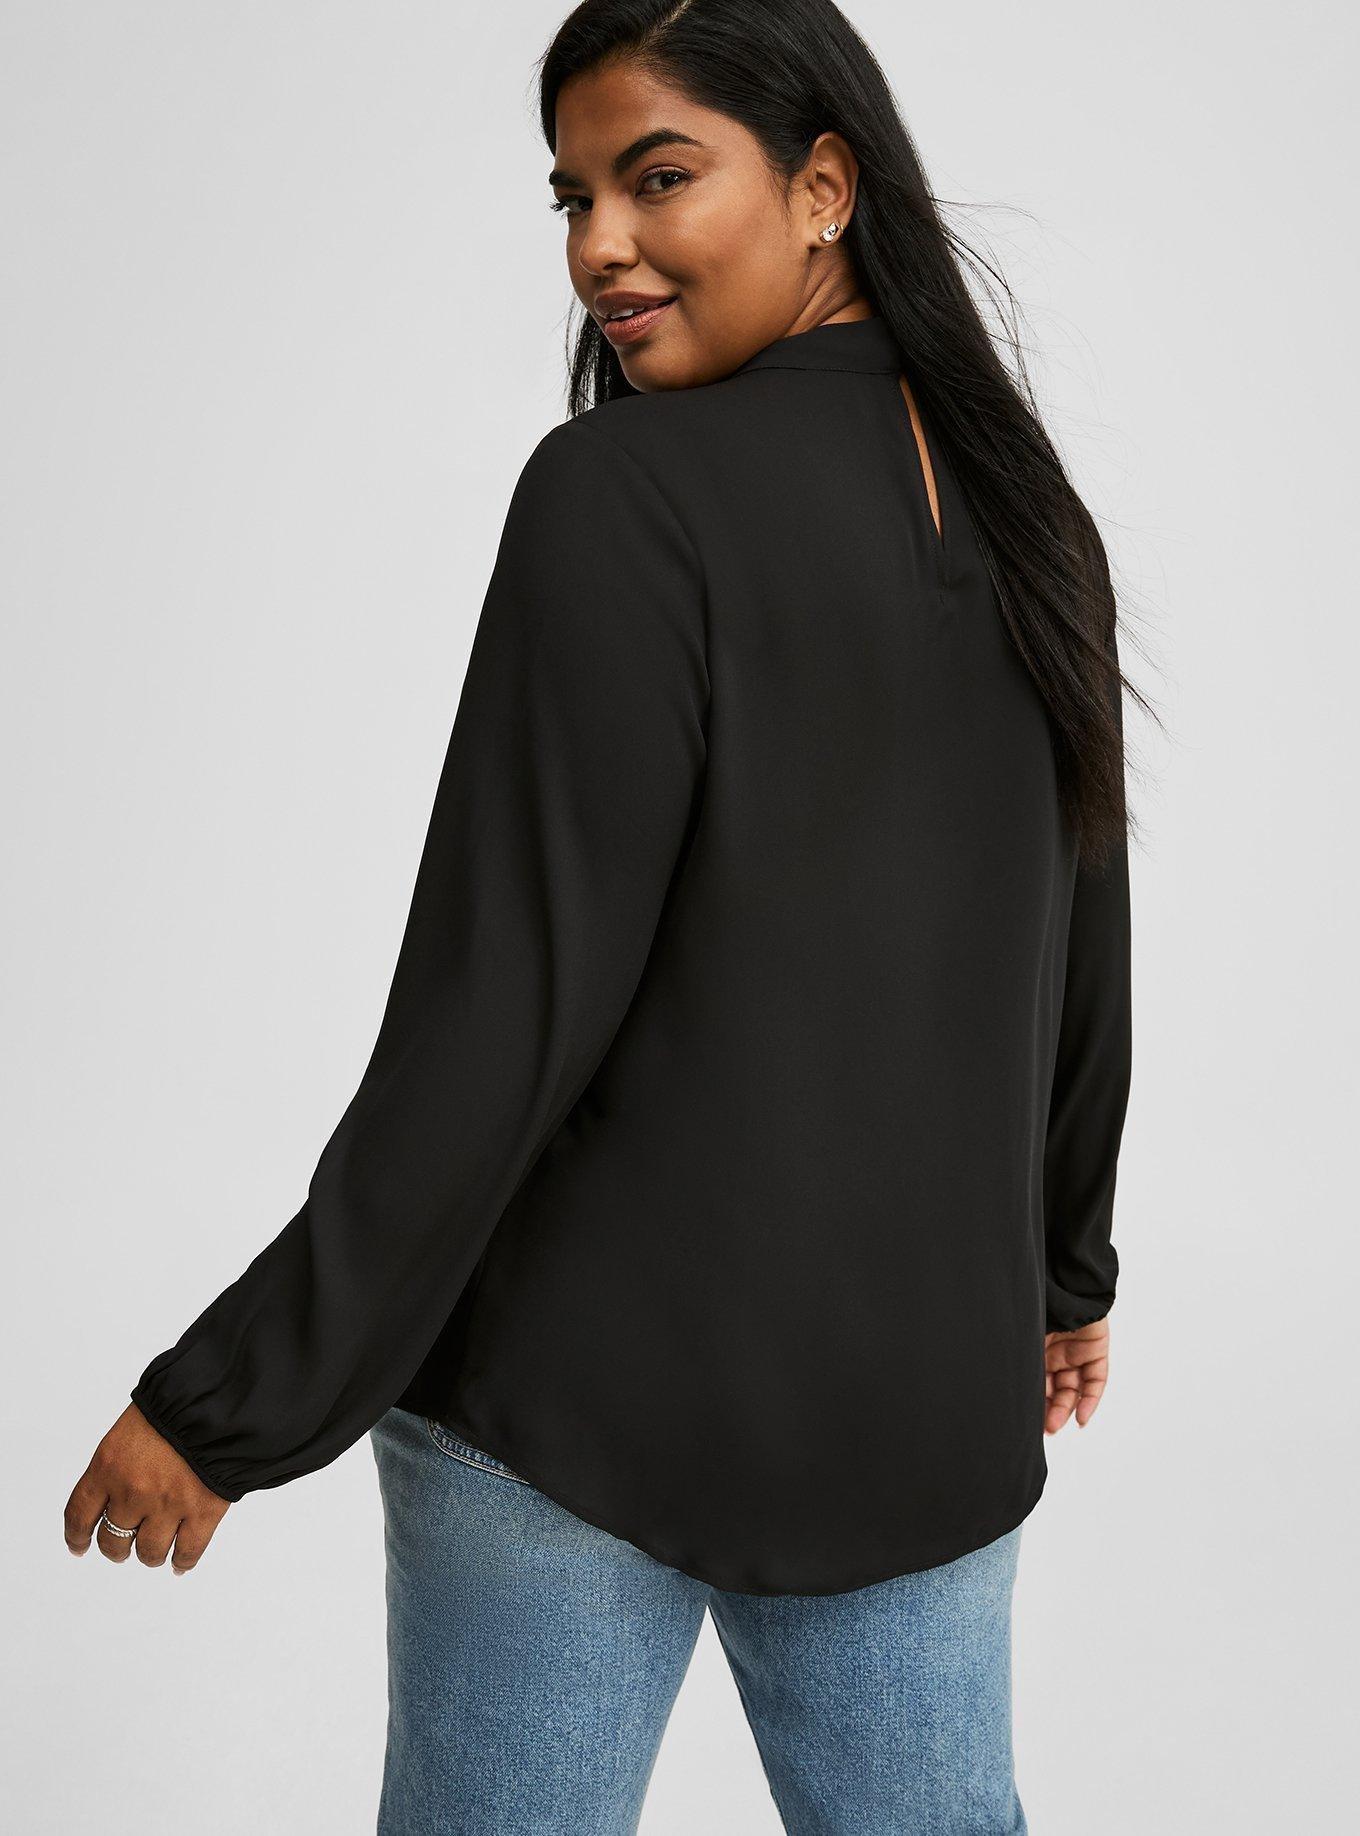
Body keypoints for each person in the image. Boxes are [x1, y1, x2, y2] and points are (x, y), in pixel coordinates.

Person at [64, 1, 1138, 1830]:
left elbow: (504, 1010)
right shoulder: (1031, 512)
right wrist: (1059, 1271)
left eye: (657, 179)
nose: (599, 249)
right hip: (914, 1408)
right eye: (573, 198)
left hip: (568, 1420)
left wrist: (231, 1399)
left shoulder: (619, 496)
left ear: (823, 186)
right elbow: (1080, 942)